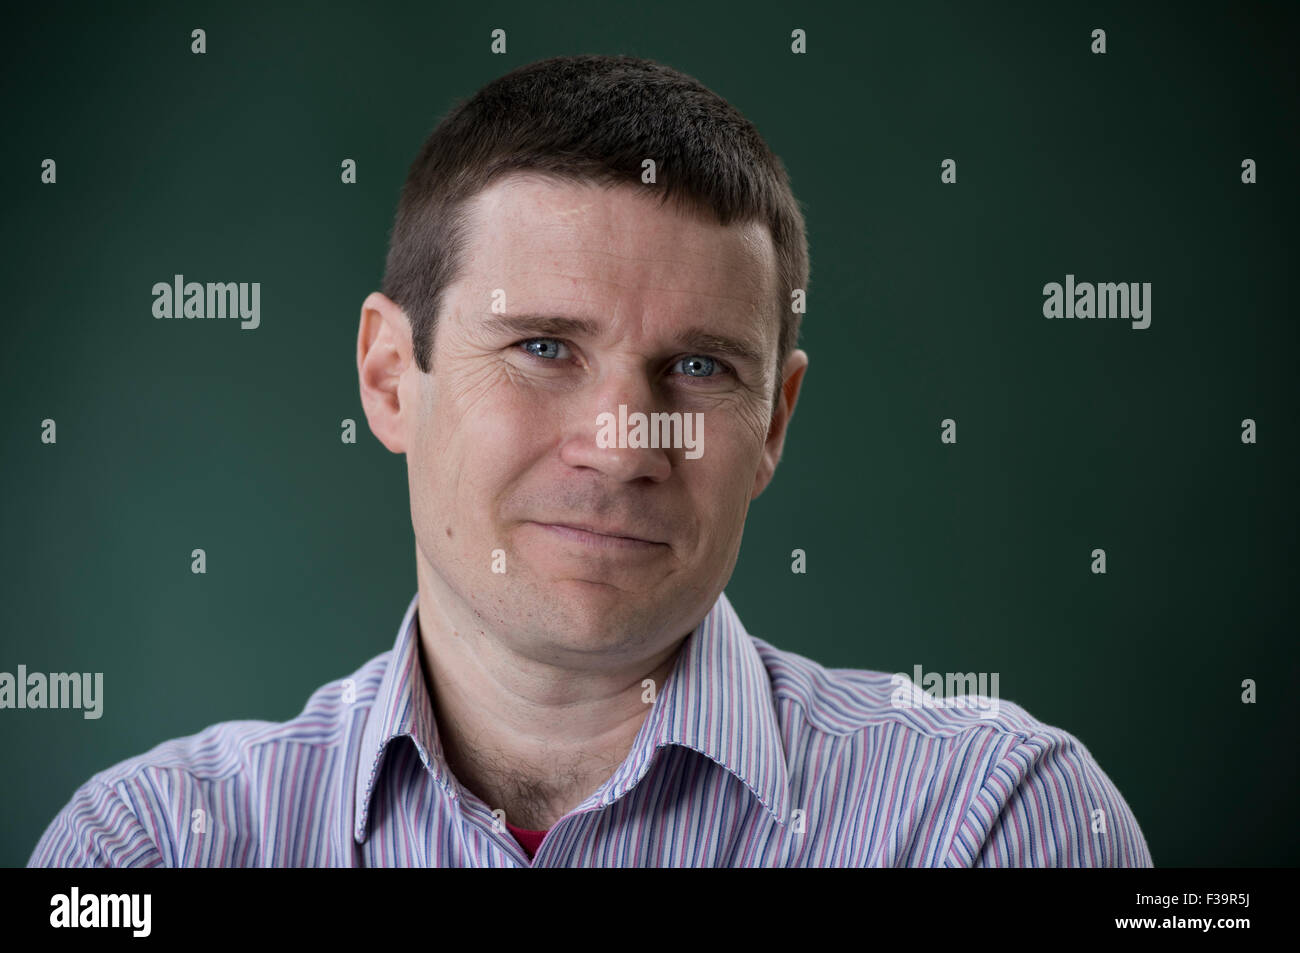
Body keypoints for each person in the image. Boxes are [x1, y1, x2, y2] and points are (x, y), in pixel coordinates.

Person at [29, 54, 1150, 867]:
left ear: (774, 423)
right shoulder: (148, 852)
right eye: (544, 347)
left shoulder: (992, 824)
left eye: (701, 370)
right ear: (386, 377)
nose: (621, 446)